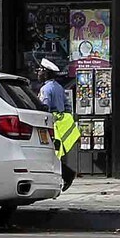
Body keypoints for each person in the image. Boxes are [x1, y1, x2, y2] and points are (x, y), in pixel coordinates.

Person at [38, 60, 80, 188]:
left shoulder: (45, 89)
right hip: (60, 125)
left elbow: (44, 108)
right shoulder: (59, 87)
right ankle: (66, 175)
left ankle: (67, 175)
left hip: (51, 125)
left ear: (46, 73)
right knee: (55, 154)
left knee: (49, 154)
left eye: (40, 71)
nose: (38, 73)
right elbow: (67, 106)